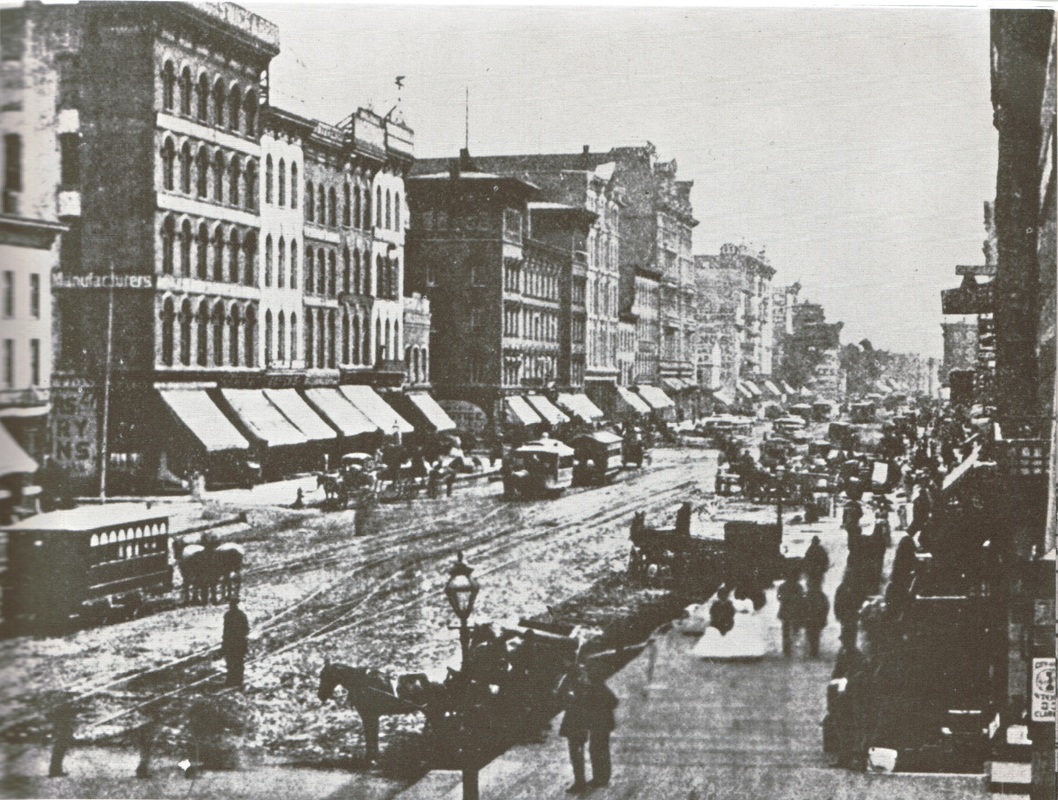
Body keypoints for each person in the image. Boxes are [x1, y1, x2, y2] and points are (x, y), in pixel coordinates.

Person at [559, 663, 618, 793]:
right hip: (581, 716)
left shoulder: (595, 683)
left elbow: (612, 701)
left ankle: (600, 778)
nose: (582, 678)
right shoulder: (570, 680)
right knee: (579, 748)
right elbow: (561, 697)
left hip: (598, 717)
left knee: (597, 746)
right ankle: (582, 781)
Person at [222, 598, 249, 688]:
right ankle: (234, 679)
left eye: (232, 604)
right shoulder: (238, 615)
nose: (231, 606)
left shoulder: (230, 615)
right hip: (235, 641)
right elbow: (246, 629)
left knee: (234, 661)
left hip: (234, 641)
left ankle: (235, 679)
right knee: (234, 661)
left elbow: (245, 629)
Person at [777, 574, 805, 657]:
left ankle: (787, 650)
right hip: (796, 612)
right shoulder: (798, 586)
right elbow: (802, 597)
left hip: (785, 612)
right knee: (795, 630)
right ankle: (794, 648)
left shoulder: (782, 586)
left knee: (786, 631)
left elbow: (779, 597)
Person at [802, 584, 830, 658]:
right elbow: (826, 607)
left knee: (811, 636)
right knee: (815, 636)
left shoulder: (807, 595)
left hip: (812, 619)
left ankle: (812, 652)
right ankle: (814, 653)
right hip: (815, 619)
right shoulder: (821, 595)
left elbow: (825, 607)